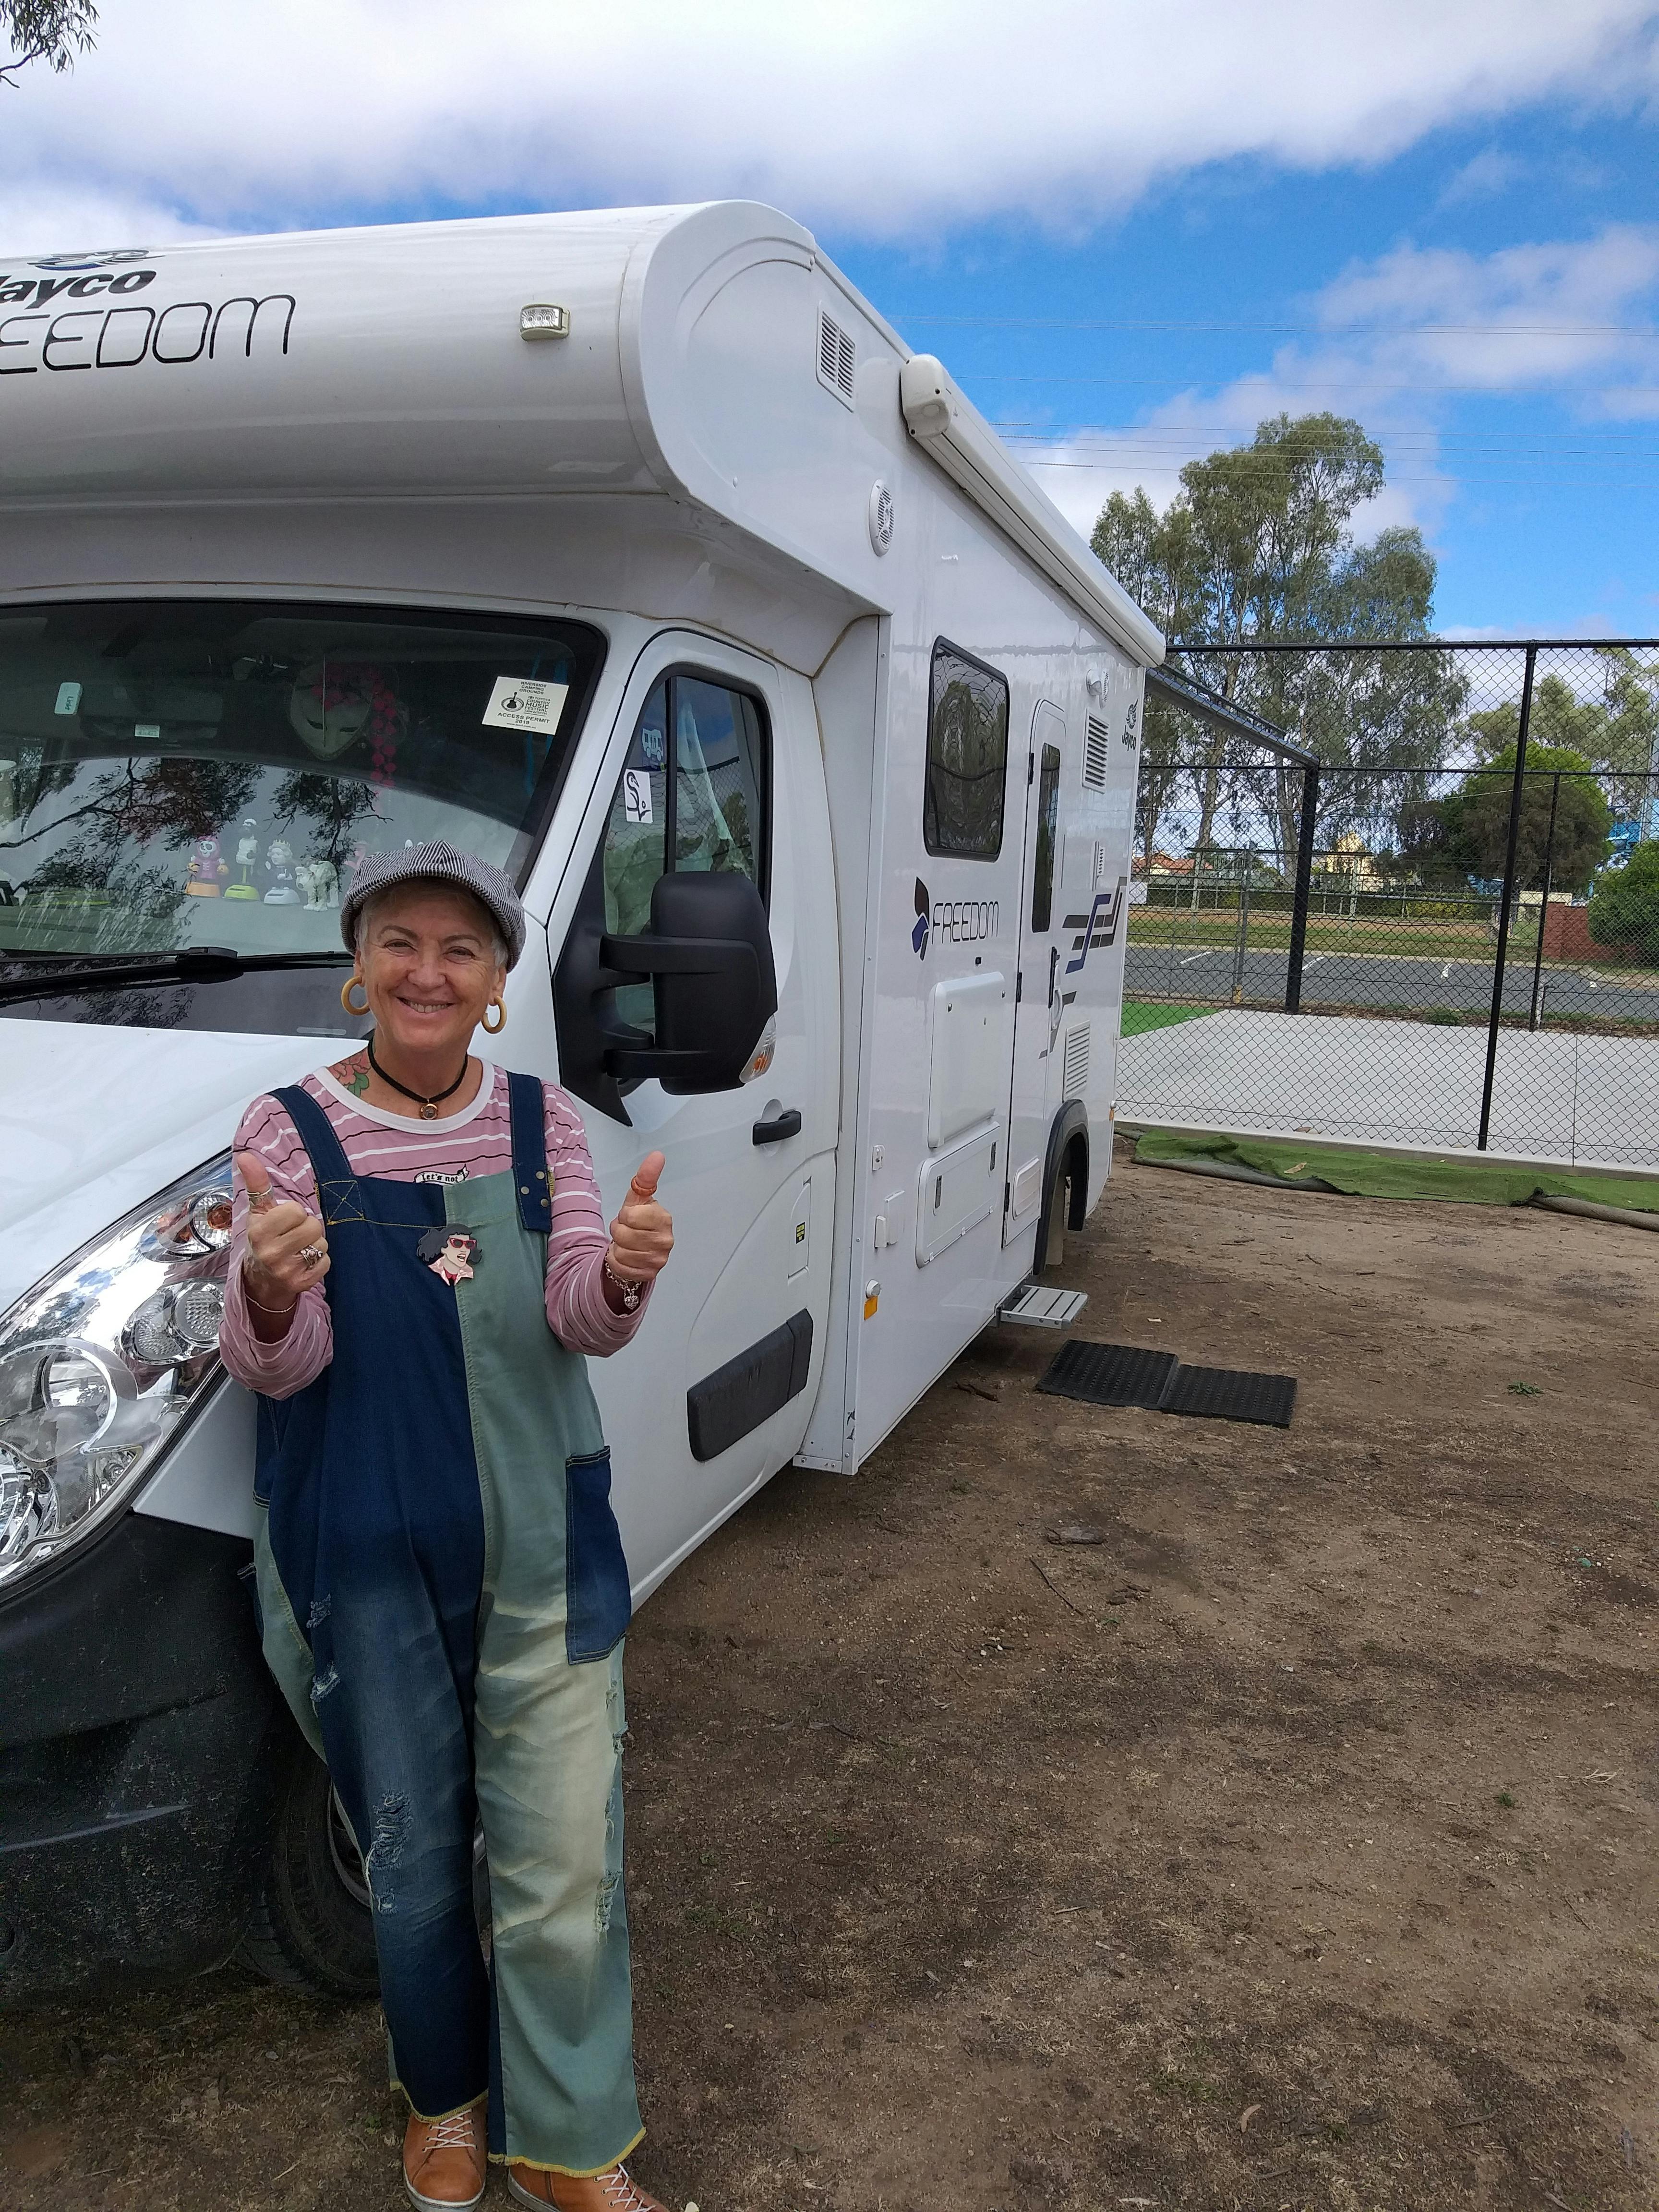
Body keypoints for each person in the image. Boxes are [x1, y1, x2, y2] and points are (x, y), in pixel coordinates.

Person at [220, 841, 675, 2212]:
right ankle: (447, 2104)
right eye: (401, 943)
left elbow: (573, 1319)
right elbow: (278, 1373)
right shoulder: (282, 1133)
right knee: (414, 1860)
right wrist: (270, 1291)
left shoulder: (545, 1126)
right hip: (364, 1545)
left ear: (492, 989)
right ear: (359, 970)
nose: (429, 970)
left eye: (461, 950)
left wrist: (630, 1276)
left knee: (562, 1854)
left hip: (539, 1536)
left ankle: (571, 2144)